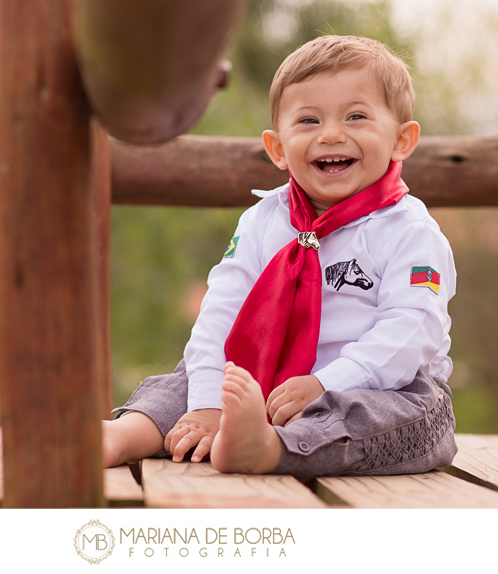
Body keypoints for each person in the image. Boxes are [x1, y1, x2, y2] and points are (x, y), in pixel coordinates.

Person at [101, 34, 457, 480]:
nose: (331, 134)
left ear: (402, 140)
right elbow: (221, 312)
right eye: (308, 120)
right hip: (262, 374)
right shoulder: (262, 221)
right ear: (277, 148)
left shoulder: (408, 231)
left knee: (407, 418)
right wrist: (209, 404)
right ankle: (124, 434)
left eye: (356, 116)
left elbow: (410, 331)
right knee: (193, 376)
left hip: (371, 384)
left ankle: (267, 447)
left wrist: (327, 384)